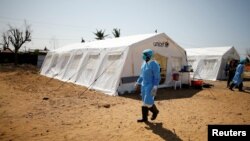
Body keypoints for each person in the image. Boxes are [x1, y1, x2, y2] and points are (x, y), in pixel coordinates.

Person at [135, 49, 161, 122]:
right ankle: (144, 118)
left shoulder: (154, 64)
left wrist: (155, 86)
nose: (142, 56)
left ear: (148, 56)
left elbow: (157, 76)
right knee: (144, 101)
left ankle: (155, 111)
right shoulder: (144, 63)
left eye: (144, 55)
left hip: (151, 85)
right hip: (144, 85)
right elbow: (142, 74)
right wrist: (138, 82)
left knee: (148, 101)